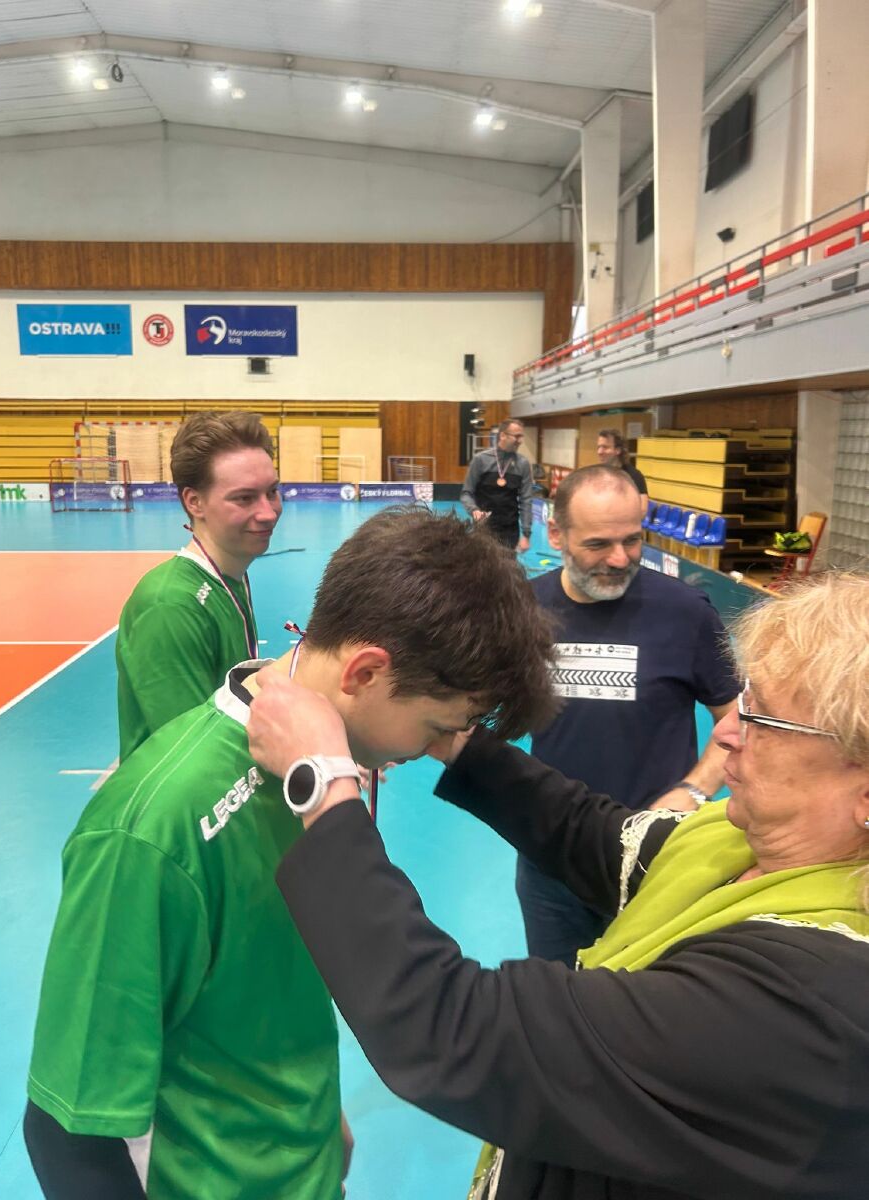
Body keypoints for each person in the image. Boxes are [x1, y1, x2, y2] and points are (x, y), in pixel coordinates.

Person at [247, 570, 869, 1200]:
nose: (728, 730)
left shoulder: (819, 1001)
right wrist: (446, 729)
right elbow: (594, 835)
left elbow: (457, 1032)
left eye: (765, 719)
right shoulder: (739, 843)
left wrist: (321, 782)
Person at [24, 506, 557, 1200]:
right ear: (365, 672)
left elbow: (265, 980)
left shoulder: (324, 779)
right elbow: (68, 1132)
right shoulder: (153, 830)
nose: (432, 750)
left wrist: (314, 1108)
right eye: (434, 727)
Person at [517, 465, 738, 966]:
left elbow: (741, 718)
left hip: (656, 856)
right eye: (598, 544)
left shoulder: (686, 612)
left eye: (632, 540)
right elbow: (468, 701)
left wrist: (695, 790)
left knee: (647, 999)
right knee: (556, 995)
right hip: (551, 857)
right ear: (557, 534)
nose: (619, 559)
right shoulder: (523, 610)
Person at [115, 410, 281, 760]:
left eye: (272, 492)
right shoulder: (170, 606)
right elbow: (191, 753)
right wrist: (309, 760)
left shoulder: (230, 577)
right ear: (194, 502)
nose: (268, 512)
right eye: (244, 498)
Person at [461, 418, 534, 552]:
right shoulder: (480, 460)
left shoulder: (523, 464)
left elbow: (526, 500)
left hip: (510, 532)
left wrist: (526, 534)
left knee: (507, 565)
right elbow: (466, 493)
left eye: (521, 436)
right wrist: (474, 510)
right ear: (503, 435)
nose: (520, 441)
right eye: (516, 436)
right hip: (483, 529)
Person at [596, 426, 648, 515]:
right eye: (598, 447)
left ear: (618, 450)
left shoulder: (634, 476)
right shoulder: (598, 474)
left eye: (605, 447)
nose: (599, 452)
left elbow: (642, 510)